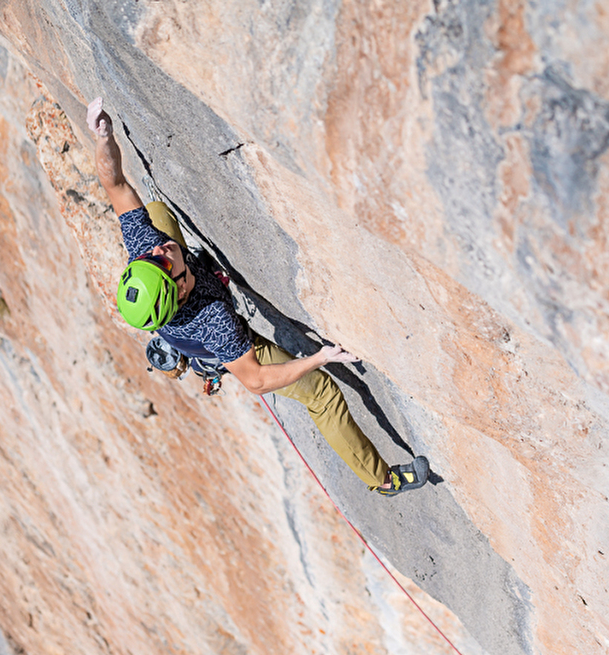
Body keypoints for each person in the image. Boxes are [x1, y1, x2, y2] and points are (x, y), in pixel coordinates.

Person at [85, 97, 428, 495]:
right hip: (224, 344)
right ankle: (384, 480)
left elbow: (115, 184)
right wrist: (319, 357)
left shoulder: (147, 251)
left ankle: (193, 357)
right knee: (322, 394)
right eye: (162, 261)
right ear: (178, 288)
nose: (160, 251)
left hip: (184, 315)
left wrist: (103, 136)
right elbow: (258, 380)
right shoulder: (217, 323)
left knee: (157, 214)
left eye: (153, 256)